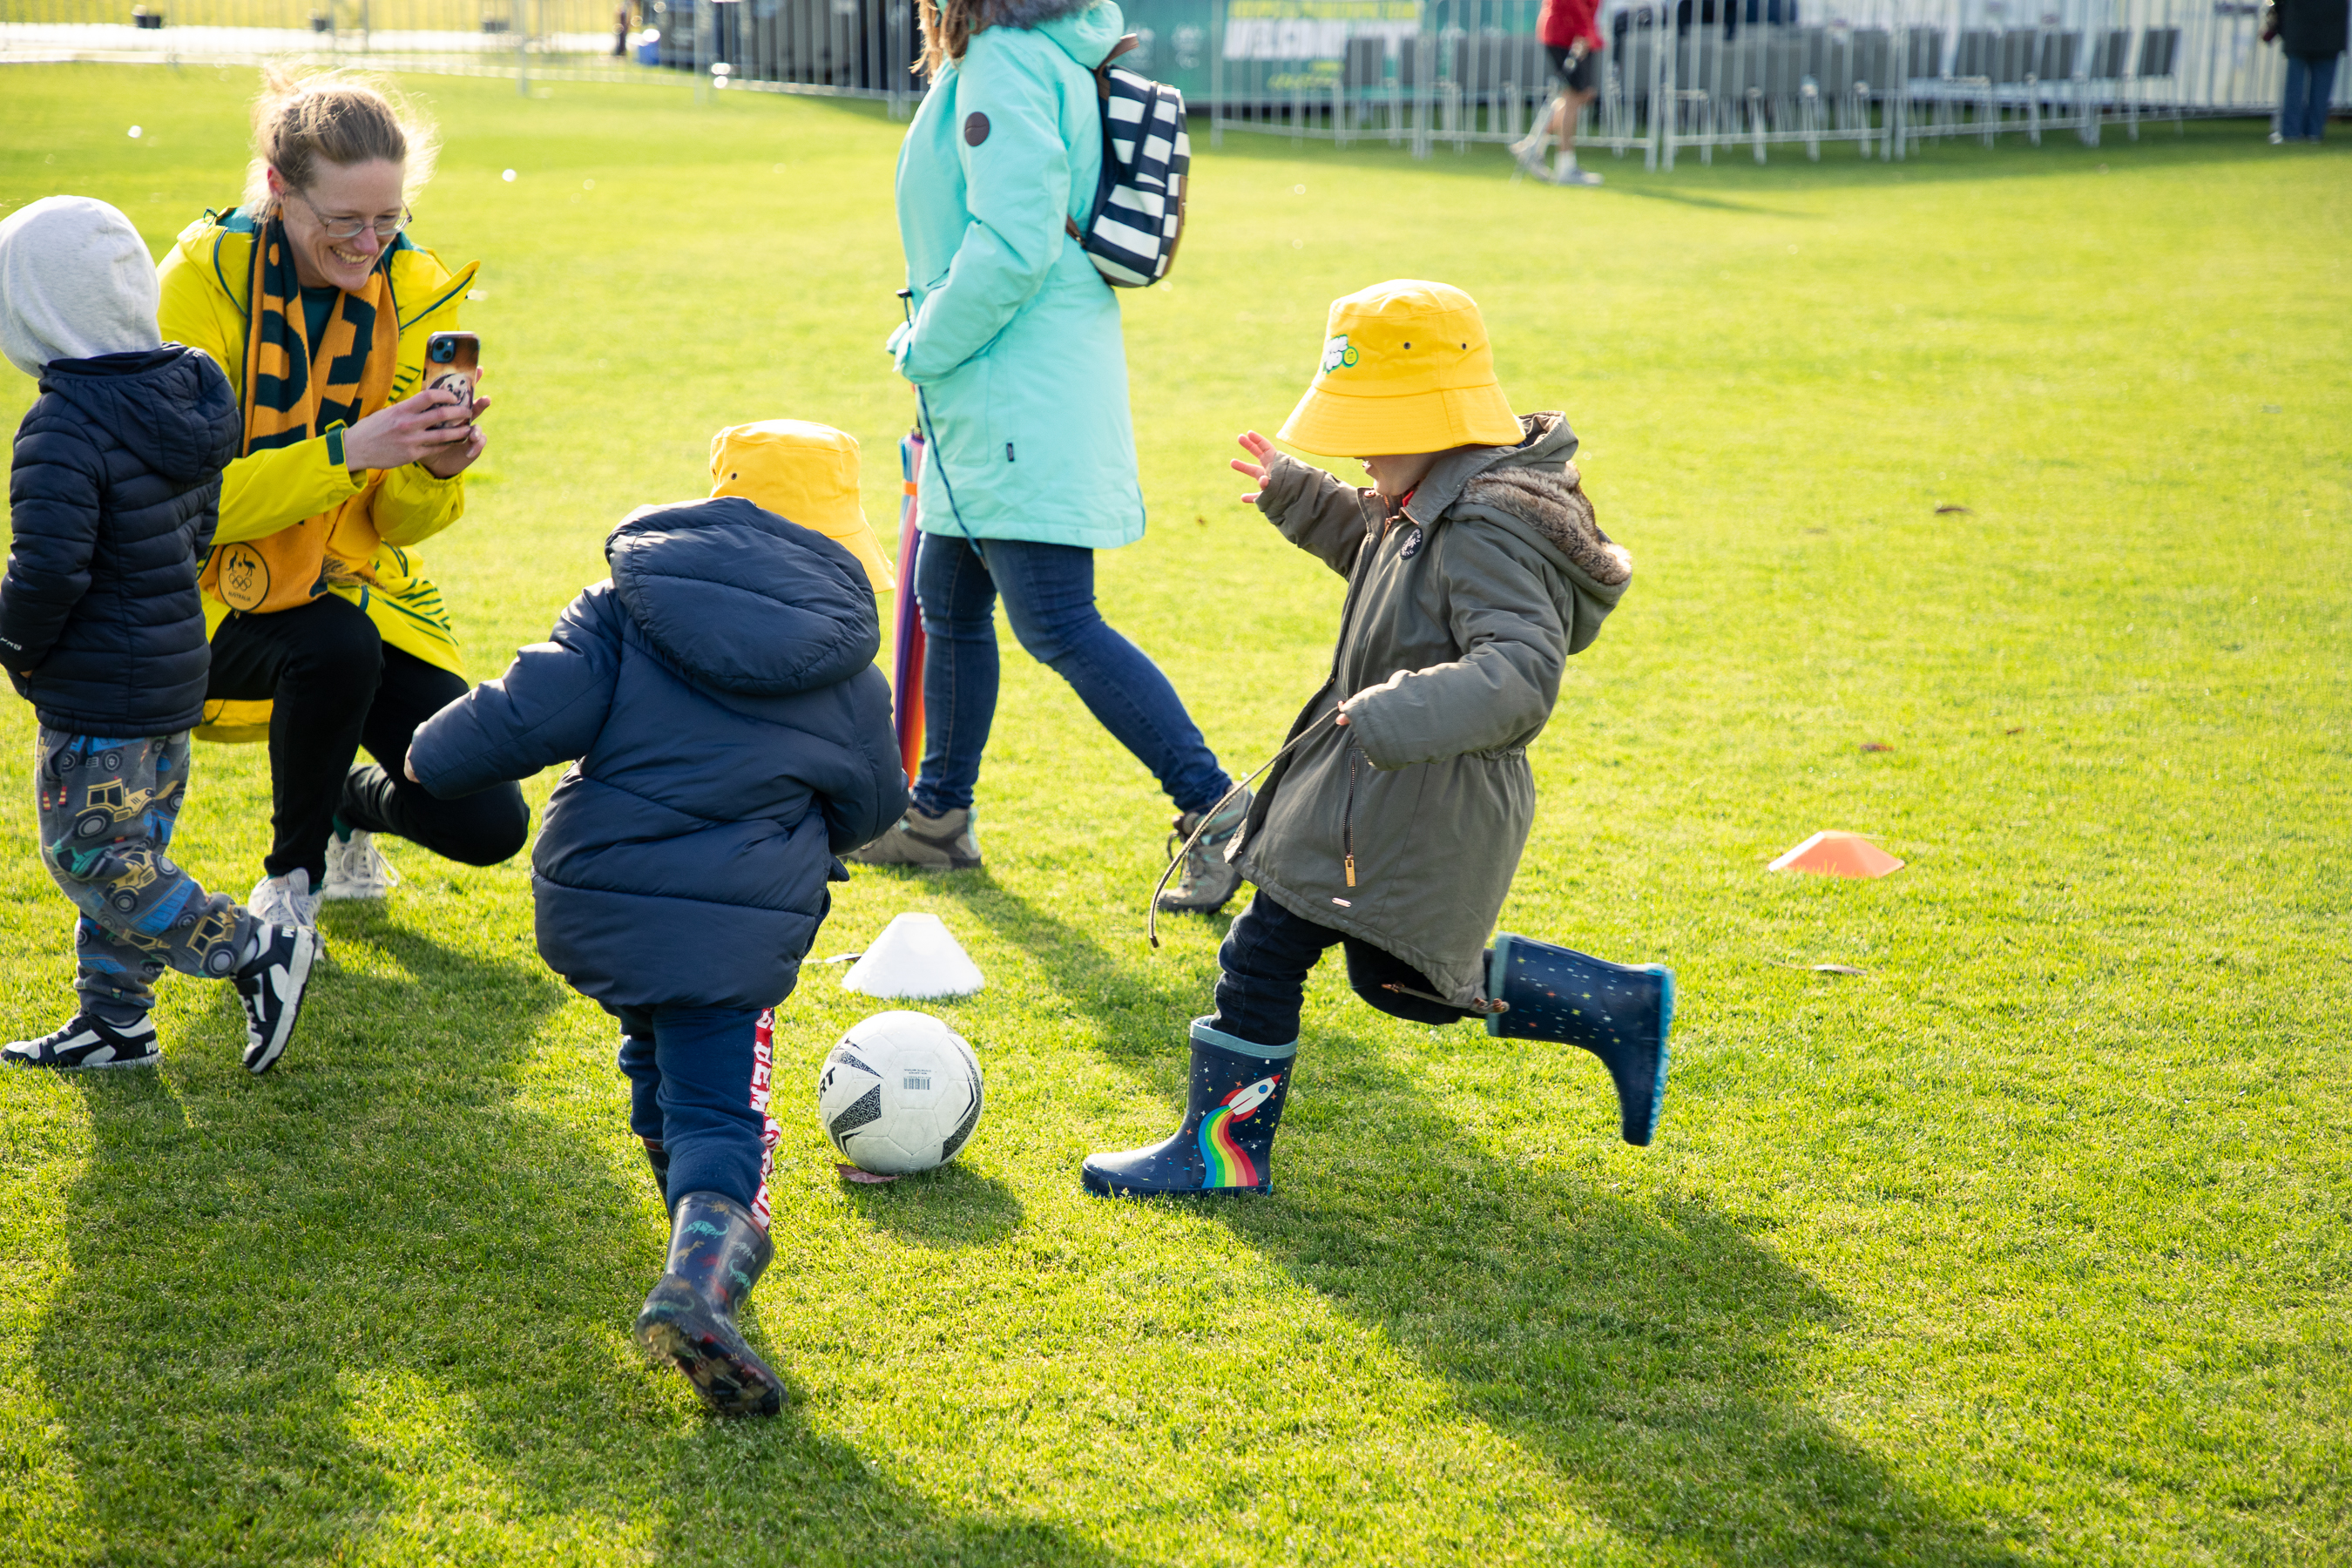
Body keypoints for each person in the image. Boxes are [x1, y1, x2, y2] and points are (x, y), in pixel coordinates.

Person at [1083, 280, 1652, 1198]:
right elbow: (1384, 558)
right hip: (1383, 789)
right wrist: (1300, 495)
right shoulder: (1436, 492)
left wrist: (1396, 708)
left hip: (1418, 794)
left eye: (1372, 424)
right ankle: (1619, 1005)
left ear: (1436, 416)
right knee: (1401, 981)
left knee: (1261, 950)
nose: (1356, 446)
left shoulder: (1483, 524)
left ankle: (1219, 1156)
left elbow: (1521, 672)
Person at [406, 483, 907, 1417]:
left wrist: (424, 759)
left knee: (654, 1048)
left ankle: (687, 1240)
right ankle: (701, 1279)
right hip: (730, 928)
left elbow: (489, 734)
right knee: (719, 1111)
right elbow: (876, 811)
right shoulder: (847, 669)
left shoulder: (623, 611)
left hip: (598, 907)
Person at [857, 0, 1247, 915]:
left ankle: (1216, 807)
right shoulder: (1032, 51)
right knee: (947, 600)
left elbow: (1013, 241)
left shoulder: (1003, 60)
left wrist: (925, 341)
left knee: (1059, 622)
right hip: (1005, 385)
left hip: (1009, 385)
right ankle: (940, 819)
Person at [156, 68, 527, 939]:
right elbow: (184, 505)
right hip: (203, 603)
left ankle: (350, 804)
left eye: (389, 220)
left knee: (488, 823)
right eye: (345, 220)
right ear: (280, 190)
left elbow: (393, 526)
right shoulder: (203, 282)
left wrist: (433, 473)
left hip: (356, 588)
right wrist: (348, 451)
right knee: (335, 643)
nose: (370, 246)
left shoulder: (416, 288)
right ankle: (290, 889)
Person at [0, 197, 319, 1076]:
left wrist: (15, 644)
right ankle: (114, 1024)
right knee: (134, 856)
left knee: (94, 858)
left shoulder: (64, 426)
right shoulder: (184, 396)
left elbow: (50, 573)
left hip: (101, 688)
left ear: (34, 314)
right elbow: (196, 531)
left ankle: (251, 950)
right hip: (173, 675)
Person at [1513, 0, 1607, 186]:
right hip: (1568, 32)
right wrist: (1583, 32)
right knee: (1574, 95)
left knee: (1582, 94)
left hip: (1573, 31)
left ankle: (1533, 145)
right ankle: (1565, 165)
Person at [2270, 0, 2346, 142]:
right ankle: (2314, 132)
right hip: (2331, 30)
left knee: (2294, 87)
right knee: (2321, 89)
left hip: (2298, 28)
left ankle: (2291, 131)